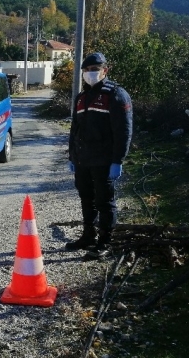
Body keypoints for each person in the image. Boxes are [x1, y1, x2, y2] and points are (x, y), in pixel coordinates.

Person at [66, 52, 133, 259]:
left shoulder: (115, 95)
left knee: (105, 201)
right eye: (86, 71)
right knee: (86, 198)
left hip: (104, 160)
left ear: (105, 70)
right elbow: (74, 129)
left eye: (94, 70)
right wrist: (72, 157)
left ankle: (105, 241)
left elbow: (124, 131)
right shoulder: (81, 98)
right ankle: (89, 236)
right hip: (83, 159)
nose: (90, 74)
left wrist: (117, 161)